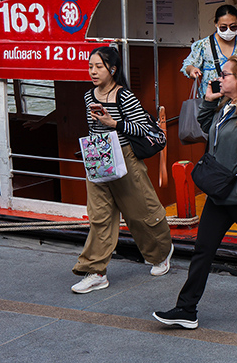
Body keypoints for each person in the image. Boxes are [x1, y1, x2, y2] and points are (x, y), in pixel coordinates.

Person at [154, 56, 237, 329]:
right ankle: (186, 309)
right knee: (203, 250)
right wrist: (209, 100)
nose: (219, 78)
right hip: (220, 192)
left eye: (225, 75)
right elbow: (205, 126)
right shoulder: (227, 106)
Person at [72, 46, 174, 293]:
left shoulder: (124, 96)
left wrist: (114, 123)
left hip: (125, 156)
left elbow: (144, 128)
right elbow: (92, 128)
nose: (93, 71)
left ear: (112, 69)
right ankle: (96, 271)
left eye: (99, 67)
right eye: (90, 66)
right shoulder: (88, 96)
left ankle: (161, 252)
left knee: (140, 212)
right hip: (99, 156)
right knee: (99, 216)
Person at [182, 4, 237, 97]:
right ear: (216, 24)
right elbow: (187, 65)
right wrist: (192, 70)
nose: (228, 31)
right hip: (212, 100)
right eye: (223, 27)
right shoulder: (203, 45)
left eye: (233, 27)